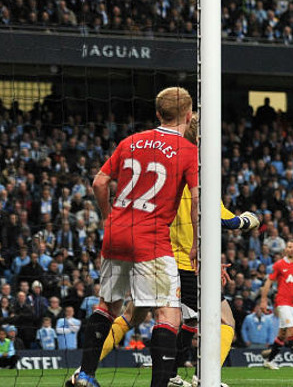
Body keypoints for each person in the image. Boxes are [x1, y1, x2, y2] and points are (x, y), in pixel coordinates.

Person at [69, 113, 260, 387]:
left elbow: (105, 184)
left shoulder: (161, 167)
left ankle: (85, 371)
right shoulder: (195, 174)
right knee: (217, 318)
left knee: (129, 315)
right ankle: (206, 378)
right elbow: (218, 217)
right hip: (178, 264)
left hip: (147, 253)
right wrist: (249, 220)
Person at [74, 87, 200, 387]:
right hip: (151, 239)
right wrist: (196, 244)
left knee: (107, 305)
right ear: (188, 114)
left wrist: (107, 216)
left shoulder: (131, 141)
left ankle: (86, 375)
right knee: (167, 314)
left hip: (117, 234)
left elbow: (100, 182)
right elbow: (195, 199)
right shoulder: (187, 150)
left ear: (158, 113)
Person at [259, 240, 293, 369]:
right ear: (285, 249)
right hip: (282, 302)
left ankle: (269, 361)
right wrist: (263, 300)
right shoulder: (279, 264)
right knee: (291, 329)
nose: (291, 249)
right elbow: (269, 282)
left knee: (283, 334)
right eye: (289, 247)